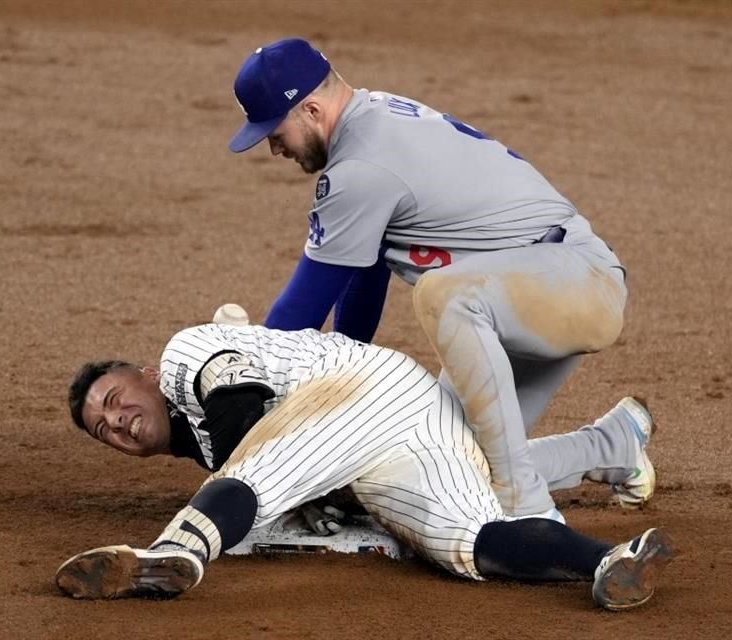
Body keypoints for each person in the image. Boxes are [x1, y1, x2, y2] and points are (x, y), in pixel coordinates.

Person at [227, 38, 639, 518]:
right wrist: (344, 381)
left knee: (443, 295)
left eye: (274, 131)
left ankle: (524, 503)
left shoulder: (360, 167)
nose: (273, 147)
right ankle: (613, 445)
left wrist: (248, 399)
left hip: (572, 282)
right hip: (524, 293)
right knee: (435, 461)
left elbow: (299, 313)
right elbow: (362, 275)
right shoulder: (371, 116)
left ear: (312, 111)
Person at [55, 321, 674, 611]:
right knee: (467, 541)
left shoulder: (185, 351)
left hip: (358, 389)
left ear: (148, 375)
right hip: (409, 433)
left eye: (114, 399)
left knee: (253, 474)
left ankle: (176, 551)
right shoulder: (197, 438)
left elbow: (240, 415)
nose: (115, 421)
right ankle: (606, 561)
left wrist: (285, 499)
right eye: (102, 429)